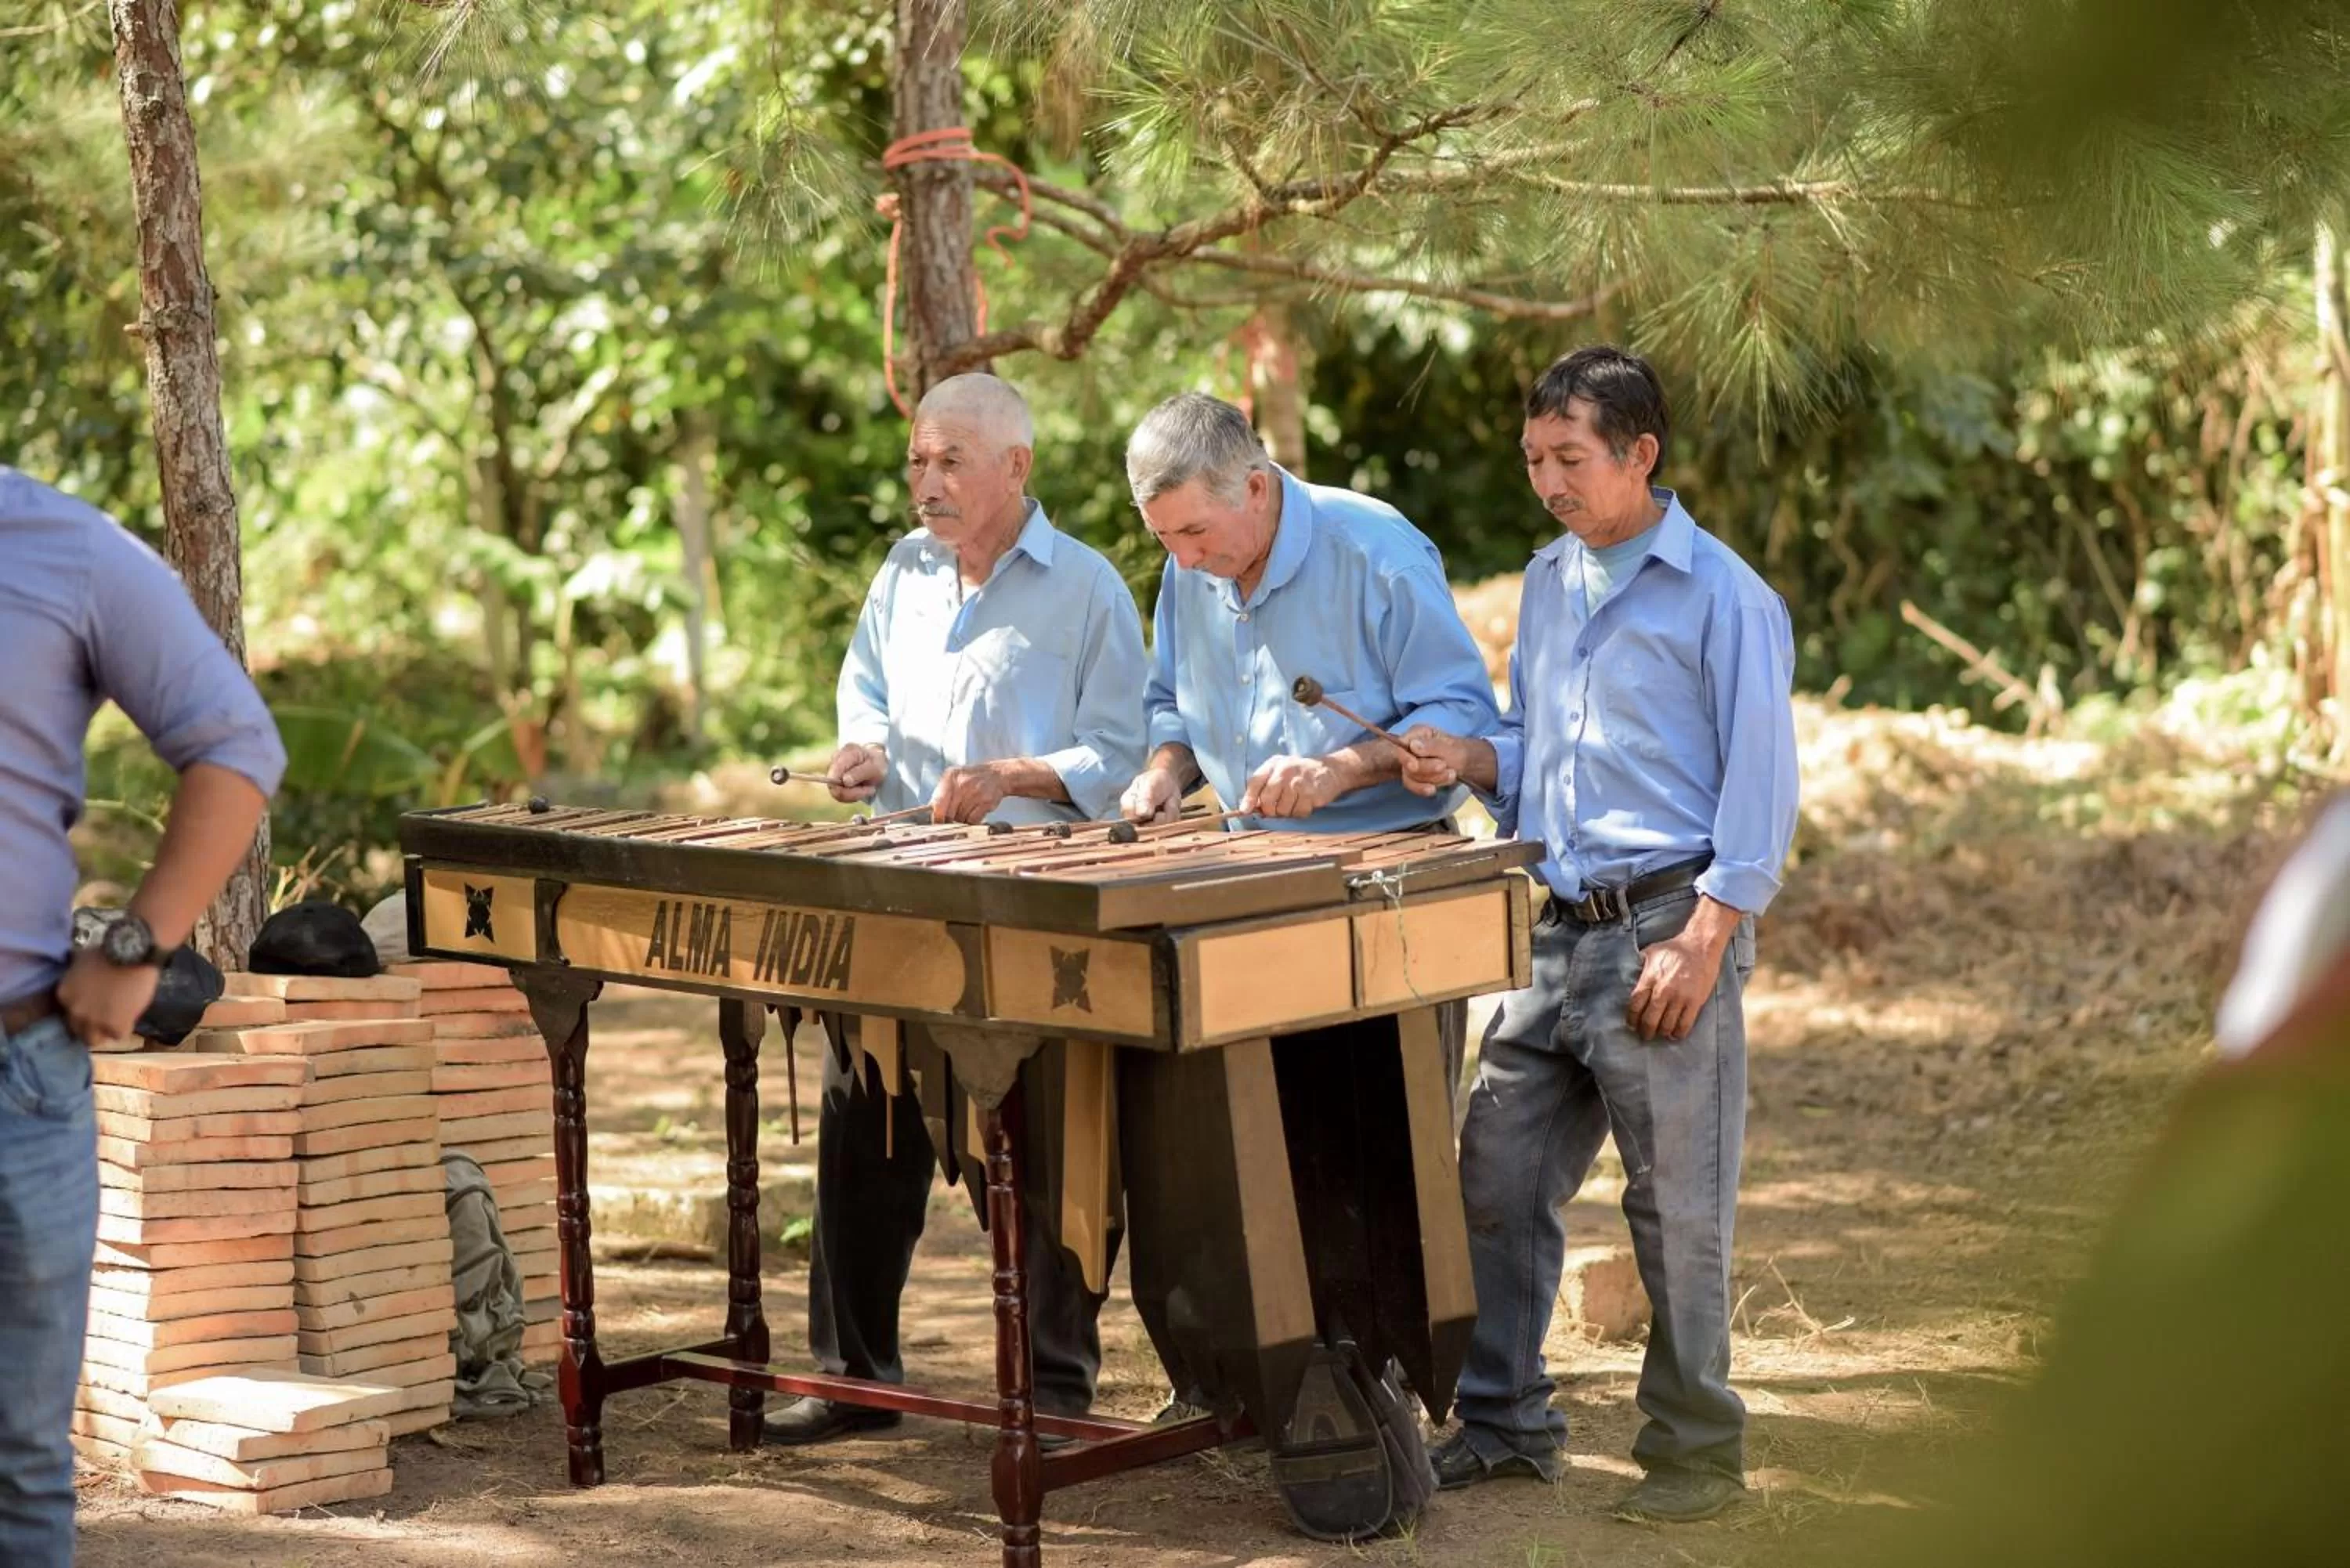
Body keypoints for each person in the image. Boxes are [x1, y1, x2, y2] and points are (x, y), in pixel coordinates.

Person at [1399, 347, 1799, 1523]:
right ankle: (1506, 1421)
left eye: (1570, 458)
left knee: (1674, 1205)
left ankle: (1694, 1458)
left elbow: (1763, 788)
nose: (1549, 481)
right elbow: (1531, 749)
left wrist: (1710, 933)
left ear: (1640, 453)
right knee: (1498, 1175)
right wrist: (1469, 758)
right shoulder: (1546, 580)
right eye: (1534, 460)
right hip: (1553, 931)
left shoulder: (1726, 597)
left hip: (1669, 927)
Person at [762, 373, 1148, 1447]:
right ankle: (851, 1376)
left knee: (1041, 1149)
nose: (926, 483)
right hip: (897, 887)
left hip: (1035, 907)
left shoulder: (1089, 590)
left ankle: (1054, 1389)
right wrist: (865, 750)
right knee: (862, 1124)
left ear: (1015, 468)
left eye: (949, 463)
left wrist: (1018, 773)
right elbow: (869, 691)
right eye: (918, 462)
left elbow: (1123, 754)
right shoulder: (903, 570)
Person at [0, 468, 284, 1566]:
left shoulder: (65, 548)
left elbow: (236, 747)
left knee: (19, 1469)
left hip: (17, 1076)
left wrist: (135, 949)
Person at [1115, 392, 1498, 844]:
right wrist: (1167, 771)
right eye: (1163, 535)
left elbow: (1464, 711)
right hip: (1242, 853)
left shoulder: (1379, 556)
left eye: (1195, 531)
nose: (1182, 559)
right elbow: (1172, 706)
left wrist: (1338, 772)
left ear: (1255, 489)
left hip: (1392, 854)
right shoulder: (1187, 571)